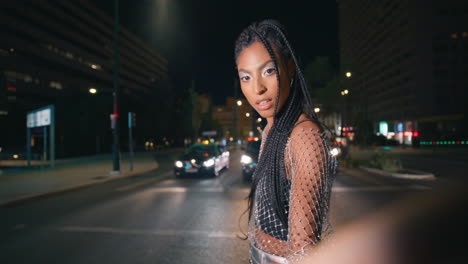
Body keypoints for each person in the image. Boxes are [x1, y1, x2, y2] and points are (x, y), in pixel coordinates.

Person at [234, 19, 338, 263]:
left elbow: (303, 251)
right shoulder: (271, 127)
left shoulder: (304, 137)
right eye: (245, 77)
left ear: (289, 68)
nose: (257, 88)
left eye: (268, 71)